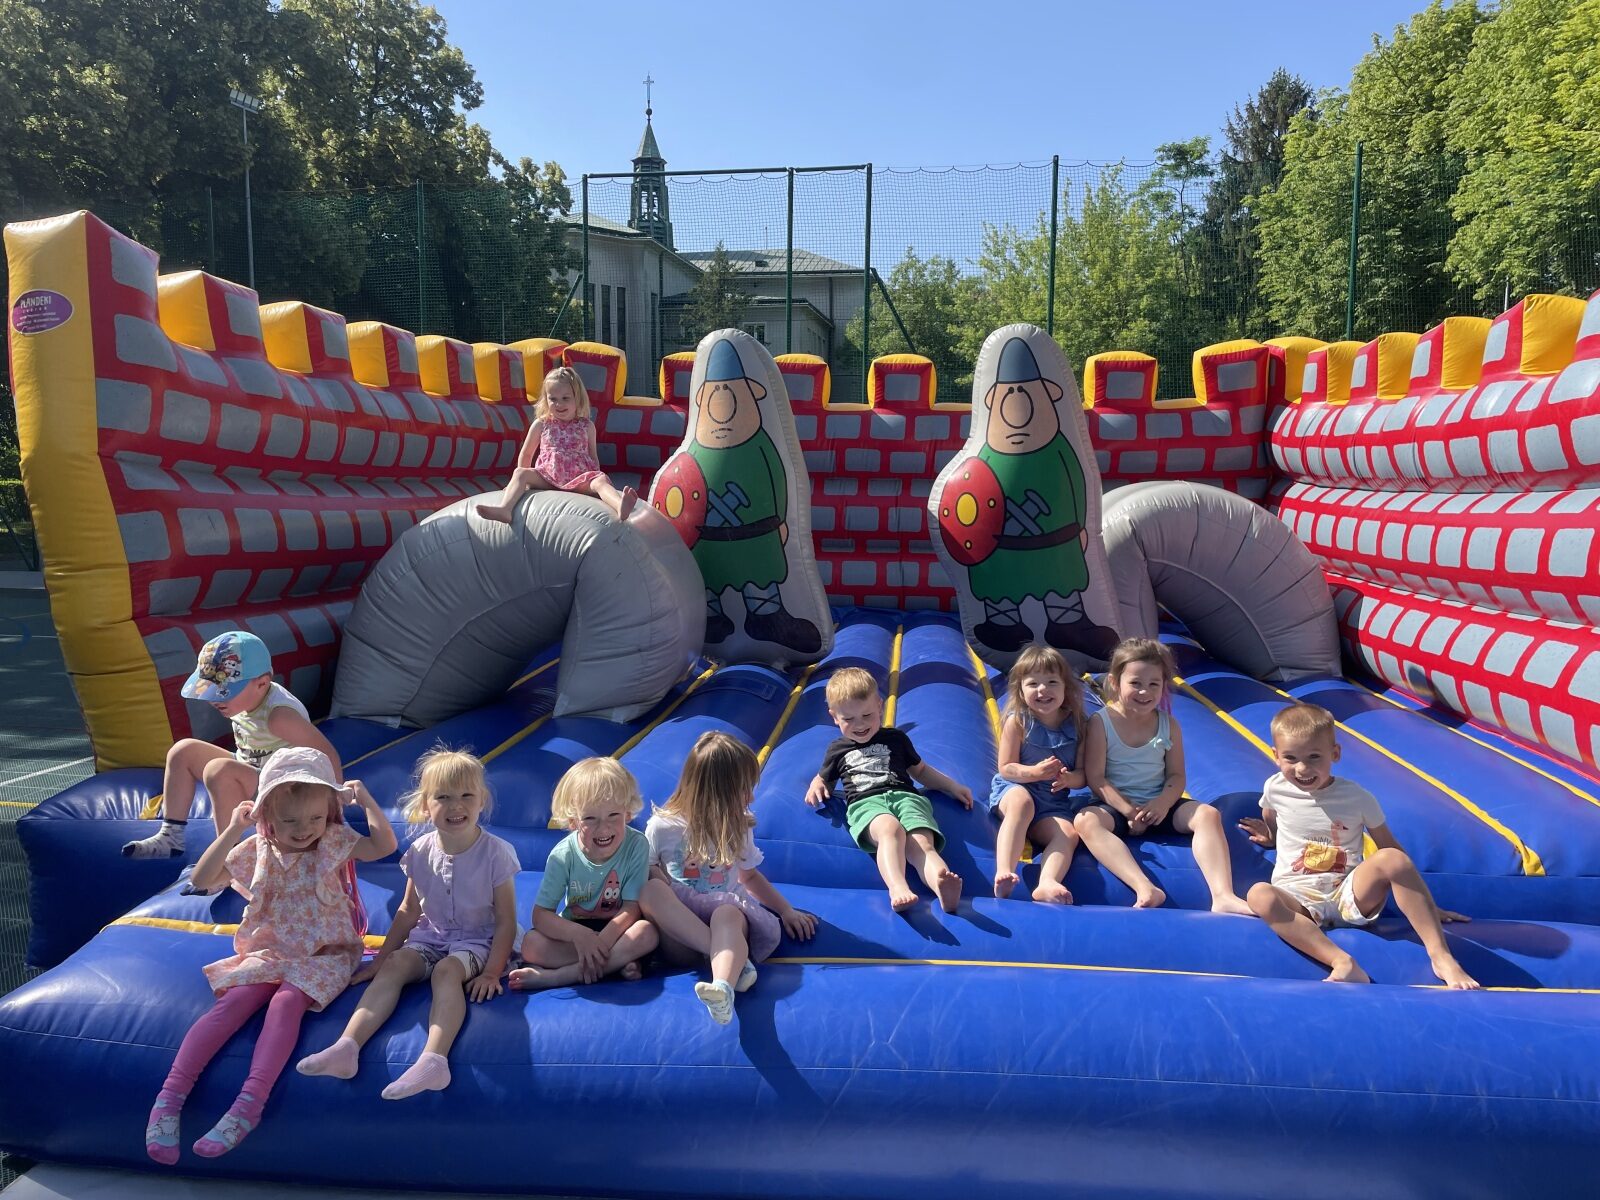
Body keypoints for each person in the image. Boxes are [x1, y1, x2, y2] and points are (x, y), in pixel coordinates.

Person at [143, 747, 396, 1163]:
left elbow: (383, 845)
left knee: (286, 1003)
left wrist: (365, 799)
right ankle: (169, 1098)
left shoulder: (332, 843)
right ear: (267, 816)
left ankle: (249, 1104)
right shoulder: (257, 848)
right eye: (291, 820)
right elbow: (203, 878)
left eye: (315, 818)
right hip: (269, 950)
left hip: (325, 954)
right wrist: (232, 830)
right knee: (233, 1005)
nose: (305, 829)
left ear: (328, 814)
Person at [296, 748, 519, 1097]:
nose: (456, 806)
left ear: (482, 801)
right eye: (443, 797)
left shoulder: (496, 853)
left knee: (446, 971)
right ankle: (347, 1047)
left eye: (466, 796)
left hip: (478, 940)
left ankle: (434, 1061)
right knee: (396, 965)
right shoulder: (420, 851)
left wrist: (492, 971)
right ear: (425, 805)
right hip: (432, 936)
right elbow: (408, 910)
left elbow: (506, 920)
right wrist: (381, 958)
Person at [1239, 702, 1480, 988]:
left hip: (1348, 894)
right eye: (1291, 758)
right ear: (1276, 756)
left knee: (1392, 858)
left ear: (1335, 753)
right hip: (1297, 896)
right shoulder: (1274, 787)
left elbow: (1389, 846)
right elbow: (1270, 813)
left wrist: (1427, 905)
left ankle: (1441, 956)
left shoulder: (1357, 798)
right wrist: (1271, 836)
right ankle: (1342, 962)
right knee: (1259, 895)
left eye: (1314, 757)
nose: (1302, 768)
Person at [640, 732, 818, 1025]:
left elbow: (749, 877)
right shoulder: (663, 826)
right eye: (743, 790)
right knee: (650, 889)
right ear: (715, 792)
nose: (751, 798)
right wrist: (659, 878)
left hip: (729, 929)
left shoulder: (739, 825)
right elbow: (646, 870)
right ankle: (733, 960)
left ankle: (722, 986)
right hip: (681, 934)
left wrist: (785, 910)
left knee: (727, 911)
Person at [123, 631, 341, 861]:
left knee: (219, 770)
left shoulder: (279, 717)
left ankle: (230, 857)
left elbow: (326, 753)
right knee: (182, 751)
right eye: (211, 689)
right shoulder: (248, 699)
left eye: (224, 692)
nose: (214, 699)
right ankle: (171, 836)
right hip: (253, 770)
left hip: (281, 789)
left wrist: (334, 807)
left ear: (262, 683)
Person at [1074, 638, 1252, 914]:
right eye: (1135, 683)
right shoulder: (1101, 722)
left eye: (1153, 684)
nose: (1144, 691)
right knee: (1085, 822)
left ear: (1163, 686)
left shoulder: (1168, 724)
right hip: (1117, 805)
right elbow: (1096, 778)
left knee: (1207, 815)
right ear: (1115, 682)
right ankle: (1144, 886)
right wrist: (1128, 811)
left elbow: (1177, 775)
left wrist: (1162, 804)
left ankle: (1222, 895)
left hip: (1159, 804)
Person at [805, 666, 975, 913]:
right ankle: (898, 887)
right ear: (834, 716)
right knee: (889, 828)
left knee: (921, 844)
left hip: (906, 798)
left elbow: (921, 771)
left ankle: (942, 884)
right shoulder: (837, 749)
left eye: (867, 715)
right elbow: (824, 778)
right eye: (849, 719)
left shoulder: (896, 738)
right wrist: (817, 784)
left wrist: (952, 786)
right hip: (866, 802)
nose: (860, 724)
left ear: (879, 706)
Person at [509, 757, 658, 989]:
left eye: (613, 815)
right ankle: (615, 963)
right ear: (573, 821)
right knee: (530, 944)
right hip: (576, 932)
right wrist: (580, 936)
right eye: (590, 818)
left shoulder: (636, 845)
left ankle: (562, 976)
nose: (604, 827)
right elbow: (541, 915)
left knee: (647, 933)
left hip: (618, 930)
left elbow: (632, 907)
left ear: (627, 813)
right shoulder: (563, 855)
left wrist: (602, 942)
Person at [475, 365, 638, 524]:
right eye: (553, 399)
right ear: (546, 400)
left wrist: (593, 481)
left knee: (600, 481)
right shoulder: (542, 424)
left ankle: (620, 505)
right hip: (547, 477)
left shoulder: (587, 426)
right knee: (520, 473)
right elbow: (526, 454)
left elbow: (593, 456)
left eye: (565, 398)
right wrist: (520, 485)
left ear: (577, 399)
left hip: (579, 479)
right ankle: (505, 509)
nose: (559, 404)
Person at [990, 645, 1088, 903]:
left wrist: (1069, 779)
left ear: (1066, 687)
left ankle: (1047, 882)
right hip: (1016, 790)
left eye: (1052, 682)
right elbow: (1006, 767)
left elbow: (1082, 775)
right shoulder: (1018, 722)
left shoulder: (1078, 725)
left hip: (1050, 803)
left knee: (1068, 834)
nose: (1043, 690)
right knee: (1022, 803)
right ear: (1021, 690)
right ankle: (1004, 871)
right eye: (1033, 683)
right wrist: (1034, 772)